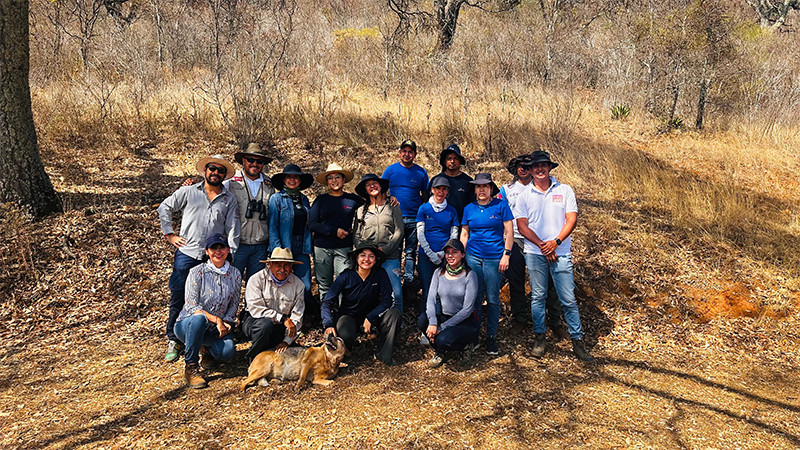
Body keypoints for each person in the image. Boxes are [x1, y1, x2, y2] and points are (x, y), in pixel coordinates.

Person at [158, 154, 240, 363]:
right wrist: (170, 234)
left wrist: (231, 251)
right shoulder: (188, 191)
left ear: (224, 175)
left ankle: (204, 340)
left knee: (211, 298)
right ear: (205, 170)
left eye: (220, 170)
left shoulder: (228, 198)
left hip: (213, 255)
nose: (215, 173)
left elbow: (232, 226)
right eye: (212, 168)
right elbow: (164, 207)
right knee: (179, 297)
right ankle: (174, 339)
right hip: (187, 253)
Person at [515, 150, 594, 362]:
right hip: (535, 252)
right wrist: (543, 245)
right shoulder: (523, 196)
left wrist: (555, 242)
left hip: (561, 253)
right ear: (530, 170)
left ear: (550, 167)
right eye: (535, 166)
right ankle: (539, 338)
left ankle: (578, 341)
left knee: (567, 298)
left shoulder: (565, 190)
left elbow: (571, 219)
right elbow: (522, 226)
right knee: (538, 297)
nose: (539, 169)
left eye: (543, 165)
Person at [499, 154, 563, 331]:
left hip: (541, 240)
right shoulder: (506, 189)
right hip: (516, 239)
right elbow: (499, 213)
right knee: (516, 280)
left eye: (527, 166)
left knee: (550, 281)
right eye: (520, 166)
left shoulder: (543, 187)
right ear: (515, 169)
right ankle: (520, 318)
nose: (524, 169)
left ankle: (554, 320)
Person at [173, 234, 241, 389]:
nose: (218, 251)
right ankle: (191, 367)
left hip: (214, 331)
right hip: (188, 324)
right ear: (207, 251)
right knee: (199, 320)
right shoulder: (197, 272)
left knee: (227, 352)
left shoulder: (235, 274)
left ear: (228, 250)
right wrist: (217, 320)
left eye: (221, 247)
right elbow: (191, 306)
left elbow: (234, 303)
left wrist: (228, 321)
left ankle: (206, 350)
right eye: (213, 248)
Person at [460, 173, 514, 356]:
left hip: (494, 258)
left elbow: (509, 231)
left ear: (491, 188)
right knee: (474, 297)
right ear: (474, 189)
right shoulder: (469, 208)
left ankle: (491, 337)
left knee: (492, 298)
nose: (481, 190)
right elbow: (465, 234)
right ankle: (473, 335)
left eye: (485, 186)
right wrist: (461, 255)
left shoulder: (500, 205)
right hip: (473, 256)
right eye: (478, 186)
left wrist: (506, 255)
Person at [321, 245, 402, 366]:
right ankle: (346, 353)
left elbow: (388, 300)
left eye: (371, 256)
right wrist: (328, 324)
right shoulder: (346, 275)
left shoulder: (380, 274)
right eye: (363, 255)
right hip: (349, 316)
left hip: (372, 316)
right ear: (356, 258)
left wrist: (371, 317)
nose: (366, 259)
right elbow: (327, 301)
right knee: (345, 334)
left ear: (376, 260)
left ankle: (384, 354)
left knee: (395, 314)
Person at [418, 239, 479, 368]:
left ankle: (465, 347)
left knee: (443, 340)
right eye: (447, 252)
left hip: (465, 322)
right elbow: (431, 299)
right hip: (445, 316)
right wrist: (433, 322)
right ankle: (440, 350)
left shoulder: (470, 275)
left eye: (454, 252)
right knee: (423, 320)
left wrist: (442, 328)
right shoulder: (438, 273)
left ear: (462, 254)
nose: (450, 256)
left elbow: (467, 310)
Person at [381, 139, 429, 301]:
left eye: (410, 152)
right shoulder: (391, 170)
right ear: (399, 152)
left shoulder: (421, 172)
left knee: (410, 252)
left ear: (415, 154)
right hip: (395, 219)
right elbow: (380, 190)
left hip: (414, 218)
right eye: (404, 151)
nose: (407, 154)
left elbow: (426, 195)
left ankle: (408, 283)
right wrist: (389, 197)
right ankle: (393, 281)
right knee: (395, 251)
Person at [308, 163, 362, 301]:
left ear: (343, 180)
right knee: (324, 285)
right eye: (330, 178)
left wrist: (389, 197)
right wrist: (333, 231)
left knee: (344, 283)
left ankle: (342, 317)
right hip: (322, 247)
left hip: (344, 248)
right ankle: (326, 317)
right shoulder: (321, 200)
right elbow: (312, 224)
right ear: (327, 182)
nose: (334, 180)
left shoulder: (352, 199)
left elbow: (372, 202)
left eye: (337, 177)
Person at [241, 247, 305, 361]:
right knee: (265, 325)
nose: (282, 269)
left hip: (281, 327)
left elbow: (297, 316)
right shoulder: (256, 279)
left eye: (286, 265)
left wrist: (287, 341)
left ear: (291, 267)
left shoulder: (298, 285)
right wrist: (283, 318)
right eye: (278, 265)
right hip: (255, 321)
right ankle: (254, 357)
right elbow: (256, 309)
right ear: (270, 265)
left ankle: (272, 349)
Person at [352, 173, 405, 311]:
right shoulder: (360, 211)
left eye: (375, 183)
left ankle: (397, 322)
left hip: (390, 256)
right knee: (370, 293)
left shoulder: (393, 206)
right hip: (368, 258)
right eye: (368, 185)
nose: (372, 186)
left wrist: (386, 250)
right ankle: (371, 323)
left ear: (381, 186)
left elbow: (399, 231)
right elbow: (357, 235)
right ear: (365, 190)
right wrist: (365, 253)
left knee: (396, 294)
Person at [268, 164, 314, 313]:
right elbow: (273, 225)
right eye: (289, 177)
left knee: (305, 285)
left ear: (300, 181)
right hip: (283, 245)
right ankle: (282, 315)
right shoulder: (276, 199)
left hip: (302, 246)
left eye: (296, 177)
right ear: (284, 180)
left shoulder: (304, 200)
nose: (292, 180)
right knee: (281, 282)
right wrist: (277, 250)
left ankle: (301, 315)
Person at [228, 143, 275, 283]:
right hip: (237, 244)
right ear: (243, 161)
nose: (255, 164)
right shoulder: (230, 181)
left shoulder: (270, 185)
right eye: (251, 160)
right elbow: (210, 189)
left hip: (260, 245)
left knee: (255, 286)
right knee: (231, 283)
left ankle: (250, 306)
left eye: (259, 161)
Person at [415, 177, 459, 314]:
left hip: (446, 256)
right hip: (426, 256)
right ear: (432, 190)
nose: (441, 192)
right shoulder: (424, 209)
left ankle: (440, 322)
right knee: (428, 290)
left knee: (443, 290)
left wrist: (444, 253)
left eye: (444, 189)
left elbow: (454, 234)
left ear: (447, 192)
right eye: (438, 188)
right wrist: (431, 254)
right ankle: (426, 324)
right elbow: (420, 234)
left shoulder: (451, 210)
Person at [428, 144, 474, 221]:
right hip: (439, 223)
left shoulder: (467, 181)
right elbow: (428, 202)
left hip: (461, 223)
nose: (452, 161)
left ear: (460, 161)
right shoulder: (436, 180)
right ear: (444, 161)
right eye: (449, 158)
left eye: (455, 158)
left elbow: (473, 204)